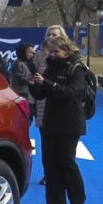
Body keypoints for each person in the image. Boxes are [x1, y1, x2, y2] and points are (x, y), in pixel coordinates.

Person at [28, 34, 87, 204]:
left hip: (70, 122)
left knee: (67, 161)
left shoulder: (77, 69)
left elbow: (70, 93)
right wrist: (34, 84)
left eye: (56, 51)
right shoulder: (51, 68)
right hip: (51, 120)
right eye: (50, 51)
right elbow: (41, 95)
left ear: (67, 51)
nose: (52, 55)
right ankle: (54, 203)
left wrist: (46, 82)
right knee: (50, 162)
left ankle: (77, 198)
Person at [34, 25, 65, 185]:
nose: (51, 37)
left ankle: (62, 172)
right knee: (46, 143)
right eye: (49, 34)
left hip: (61, 100)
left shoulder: (66, 55)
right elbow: (34, 76)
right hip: (43, 103)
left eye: (55, 34)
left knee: (63, 144)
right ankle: (48, 174)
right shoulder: (39, 55)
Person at [9, 43, 36, 121]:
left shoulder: (23, 63)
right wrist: (33, 80)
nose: (32, 54)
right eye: (30, 52)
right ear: (23, 52)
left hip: (26, 94)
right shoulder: (18, 64)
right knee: (24, 118)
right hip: (22, 94)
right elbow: (20, 78)